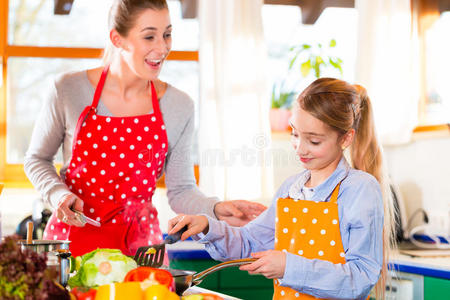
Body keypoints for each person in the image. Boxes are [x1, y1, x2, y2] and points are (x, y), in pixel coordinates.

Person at [24, 0, 265, 257]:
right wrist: (58, 195)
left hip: (140, 250)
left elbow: (181, 189)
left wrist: (215, 209)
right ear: (117, 39)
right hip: (71, 242)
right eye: (149, 36)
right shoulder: (68, 90)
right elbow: (37, 159)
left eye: (167, 35)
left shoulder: (179, 105)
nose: (162, 48)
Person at [169, 78, 395, 299]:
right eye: (295, 134)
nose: (300, 149)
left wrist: (289, 267)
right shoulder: (292, 189)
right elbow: (250, 242)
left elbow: (361, 277)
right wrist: (207, 227)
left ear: (346, 138)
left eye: (314, 141)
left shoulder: (359, 189)